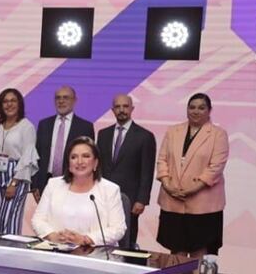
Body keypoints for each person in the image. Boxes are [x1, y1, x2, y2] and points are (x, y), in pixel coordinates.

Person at [156, 93, 229, 258]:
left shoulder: (218, 134)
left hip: (203, 205)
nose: (196, 111)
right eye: (192, 107)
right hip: (172, 199)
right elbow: (162, 160)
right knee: (176, 250)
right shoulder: (173, 131)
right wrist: (167, 185)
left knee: (199, 251)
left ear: (209, 110)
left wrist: (193, 189)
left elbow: (216, 167)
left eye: (201, 108)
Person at [31, 136, 126, 246]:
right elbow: (38, 220)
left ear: (95, 163)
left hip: (95, 252)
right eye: (74, 157)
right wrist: (53, 236)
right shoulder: (53, 185)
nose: (79, 162)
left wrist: (86, 239)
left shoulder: (110, 190)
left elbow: (118, 228)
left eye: (86, 156)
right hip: (57, 249)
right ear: (69, 164)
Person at [96, 94, 156, 248]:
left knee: (126, 242)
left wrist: (142, 200)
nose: (121, 110)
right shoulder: (103, 134)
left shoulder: (145, 136)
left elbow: (147, 171)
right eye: (117, 107)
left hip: (130, 199)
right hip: (103, 197)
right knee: (102, 237)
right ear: (112, 110)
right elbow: (98, 166)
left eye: (125, 106)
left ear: (132, 109)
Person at [0, 88, 39, 235]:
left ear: (19, 104)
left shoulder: (27, 126)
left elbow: (27, 157)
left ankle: (8, 249)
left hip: (16, 176)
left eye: (13, 101)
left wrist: (14, 183)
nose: (9, 104)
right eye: (5, 101)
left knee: (9, 221)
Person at [33, 85, 94, 201]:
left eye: (66, 97)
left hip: (73, 181)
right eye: (58, 98)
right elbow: (37, 156)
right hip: (45, 182)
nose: (61, 101)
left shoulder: (85, 127)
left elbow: (88, 160)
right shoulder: (44, 124)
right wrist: (35, 184)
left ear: (74, 100)